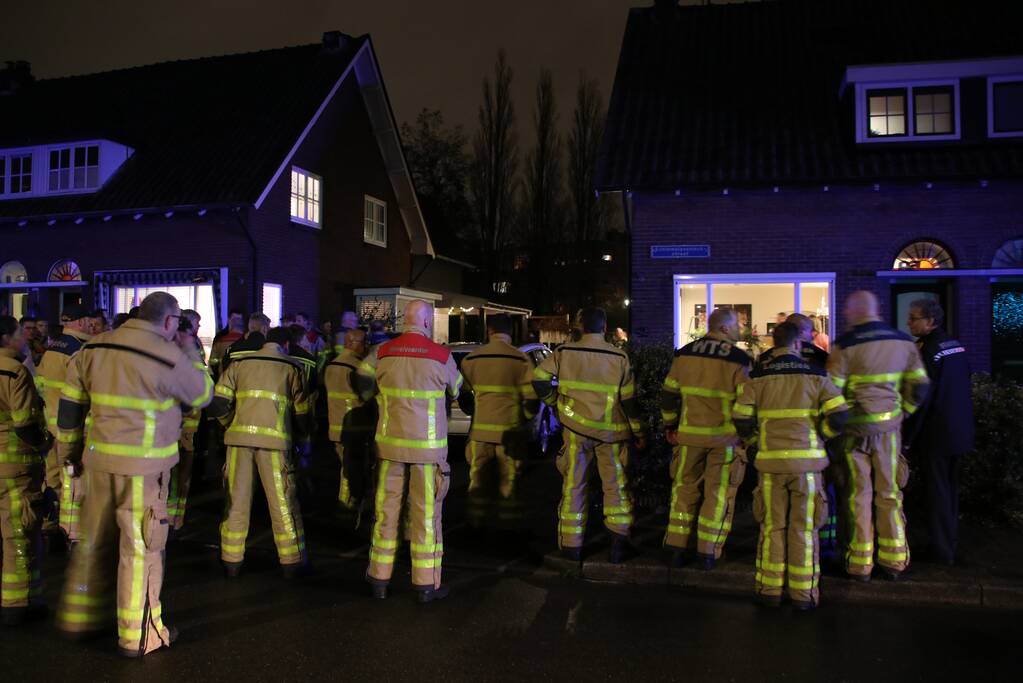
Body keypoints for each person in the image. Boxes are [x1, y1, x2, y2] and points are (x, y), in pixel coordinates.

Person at [55, 292, 213, 657]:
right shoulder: (167, 355)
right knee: (140, 549)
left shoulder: (93, 349)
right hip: (143, 471)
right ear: (171, 322)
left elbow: (69, 411)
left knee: (92, 543)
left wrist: (69, 458)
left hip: (97, 463)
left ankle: (79, 618)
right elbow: (203, 394)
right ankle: (138, 635)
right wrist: (189, 350)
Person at [733, 322, 849, 610]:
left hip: (771, 466)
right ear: (799, 344)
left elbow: (741, 417)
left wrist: (754, 441)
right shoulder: (817, 376)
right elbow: (840, 416)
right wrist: (822, 436)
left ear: (775, 343)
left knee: (773, 527)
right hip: (807, 468)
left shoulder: (758, 377)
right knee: (804, 529)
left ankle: (770, 590)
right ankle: (803, 594)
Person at [355, 299, 462, 602]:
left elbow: (362, 379)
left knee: (386, 513)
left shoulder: (382, 352)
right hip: (428, 455)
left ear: (406, 322)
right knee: (425, 517)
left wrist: (370, 398)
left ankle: (379, 578)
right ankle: (426, 584)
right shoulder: (441, 356)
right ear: (427, 322)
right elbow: (457, 390)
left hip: (389, 449)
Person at [827, 291, 929, 581]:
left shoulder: (844, 345)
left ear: (854, 312)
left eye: (847, 312)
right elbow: (920, 387)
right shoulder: (903, 341)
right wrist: (903, 412)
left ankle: (860, 565)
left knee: (859, 495)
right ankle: (894, 561)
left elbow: (832, 395)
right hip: (889, 431)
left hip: (855, 433)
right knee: (889, 493)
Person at [534, 307, 645, 564]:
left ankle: (571, 546)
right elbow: (629, 402)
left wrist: (555, 403)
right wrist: (639, 432)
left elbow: (539, 378)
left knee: (574, 485)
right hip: (611, 433)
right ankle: (618, 543)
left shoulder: (564, 352)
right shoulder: (619, 357)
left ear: (580, 326)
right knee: (615, 487)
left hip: (575, 431)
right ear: (604, 327)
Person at [207, 327, 311, 579]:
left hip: (238, 443)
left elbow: (217, 404)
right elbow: (302, 415)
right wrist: (302, 439)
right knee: (282, 503)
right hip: (275, 445)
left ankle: (231, 560)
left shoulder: (239, 364)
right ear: (285, 344)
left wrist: (231, 424)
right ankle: (291, 562)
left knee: (236, 501)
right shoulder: (292, 368)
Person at [660, 308, 750, 569]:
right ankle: (707, 553)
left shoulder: (684, 354)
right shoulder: (739, 358)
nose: (740, 330)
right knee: (718, 495)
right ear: (724, 328)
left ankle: (676, 547)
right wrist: (747, 437)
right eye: (738, 325)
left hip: (688, 438)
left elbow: (668, 395)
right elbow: (746, 406)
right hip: (724, 442)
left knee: (683, 491)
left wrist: (669, 425)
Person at [904, 299, 973, 566]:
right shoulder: (956, 345)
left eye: (914, 318)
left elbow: (921, 399)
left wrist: (908, 437)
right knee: (950, 490)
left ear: (931, 321)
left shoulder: (927, 350)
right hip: (959, 431)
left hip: (936, 435)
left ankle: (941, 551)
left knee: (937, 493)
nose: (909, 322)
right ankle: (949, 541)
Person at [458, 314, 539, 528]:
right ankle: (507, 531)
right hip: (510, 435)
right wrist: (524, 422)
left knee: (478, 482)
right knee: (509, 484)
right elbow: (532, 401)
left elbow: (464, 397)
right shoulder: (521, 360)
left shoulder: (472, 359)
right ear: (510, 332)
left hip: (479, 435)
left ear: (489, 331)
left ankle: (475, 525)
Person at [0, 315, 52, 626]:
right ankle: (17, 602)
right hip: (14, 465)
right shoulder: (14, 370)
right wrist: (43, 446)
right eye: (19, 333)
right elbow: (24, 423)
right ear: (7, 338)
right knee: (19, 532)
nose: (23, 338)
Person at [34, 303, 93, 546]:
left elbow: (39, 385)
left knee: (53, 477)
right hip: (71, 427)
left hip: (50, 426)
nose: (91, 325)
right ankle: (71, 530)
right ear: (79, 323)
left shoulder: (51, 349)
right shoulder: (78, 351)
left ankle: (50, 522)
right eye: (88, 321)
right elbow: (83, 391)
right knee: (74, 478)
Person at [324, 328, 376, 517]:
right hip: (356, 427)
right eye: (364, 342)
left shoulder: (331, 365)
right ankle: (347, 503)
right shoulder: (357, 368)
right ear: (352, 343)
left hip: (335, 427)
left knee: (344, 465)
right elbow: (367, 396)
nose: (366, 346)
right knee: (352, 468)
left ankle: (346, 501)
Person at [168, 309, 206, 531]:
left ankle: (174, 519)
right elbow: (200, 388)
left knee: (178, 477)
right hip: (182, 425)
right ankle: (174, 521)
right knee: (178, 476)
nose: (197, 329)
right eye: (195, 325)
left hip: (183, 424)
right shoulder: (185, 347)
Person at [209, 310, 245, 379]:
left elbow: (213, 362)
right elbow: (213, 362)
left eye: (239, 319)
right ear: (229, 320)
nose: (237, 322)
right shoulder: (219, 337)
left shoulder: (221, 339)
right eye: (235, 319)